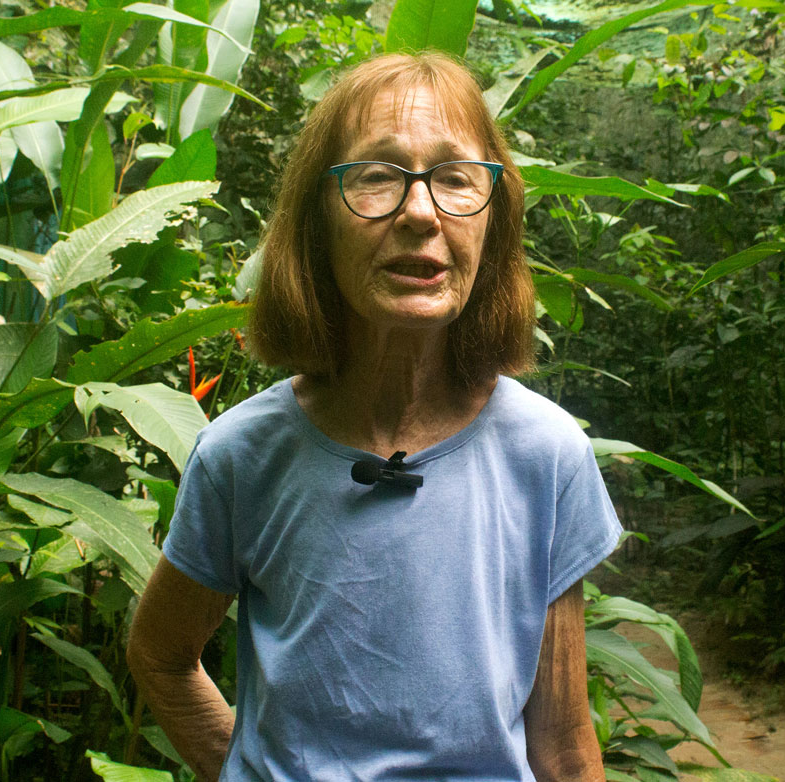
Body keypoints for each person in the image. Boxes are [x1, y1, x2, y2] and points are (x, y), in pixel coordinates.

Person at [126, 51, 622, 782]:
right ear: (316, 223)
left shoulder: (545, 454)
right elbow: (161, 655)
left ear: (493, 222)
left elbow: (564, 742)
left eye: (456, 178)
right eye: (377, 176)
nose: (420, 212)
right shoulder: (244, 455)